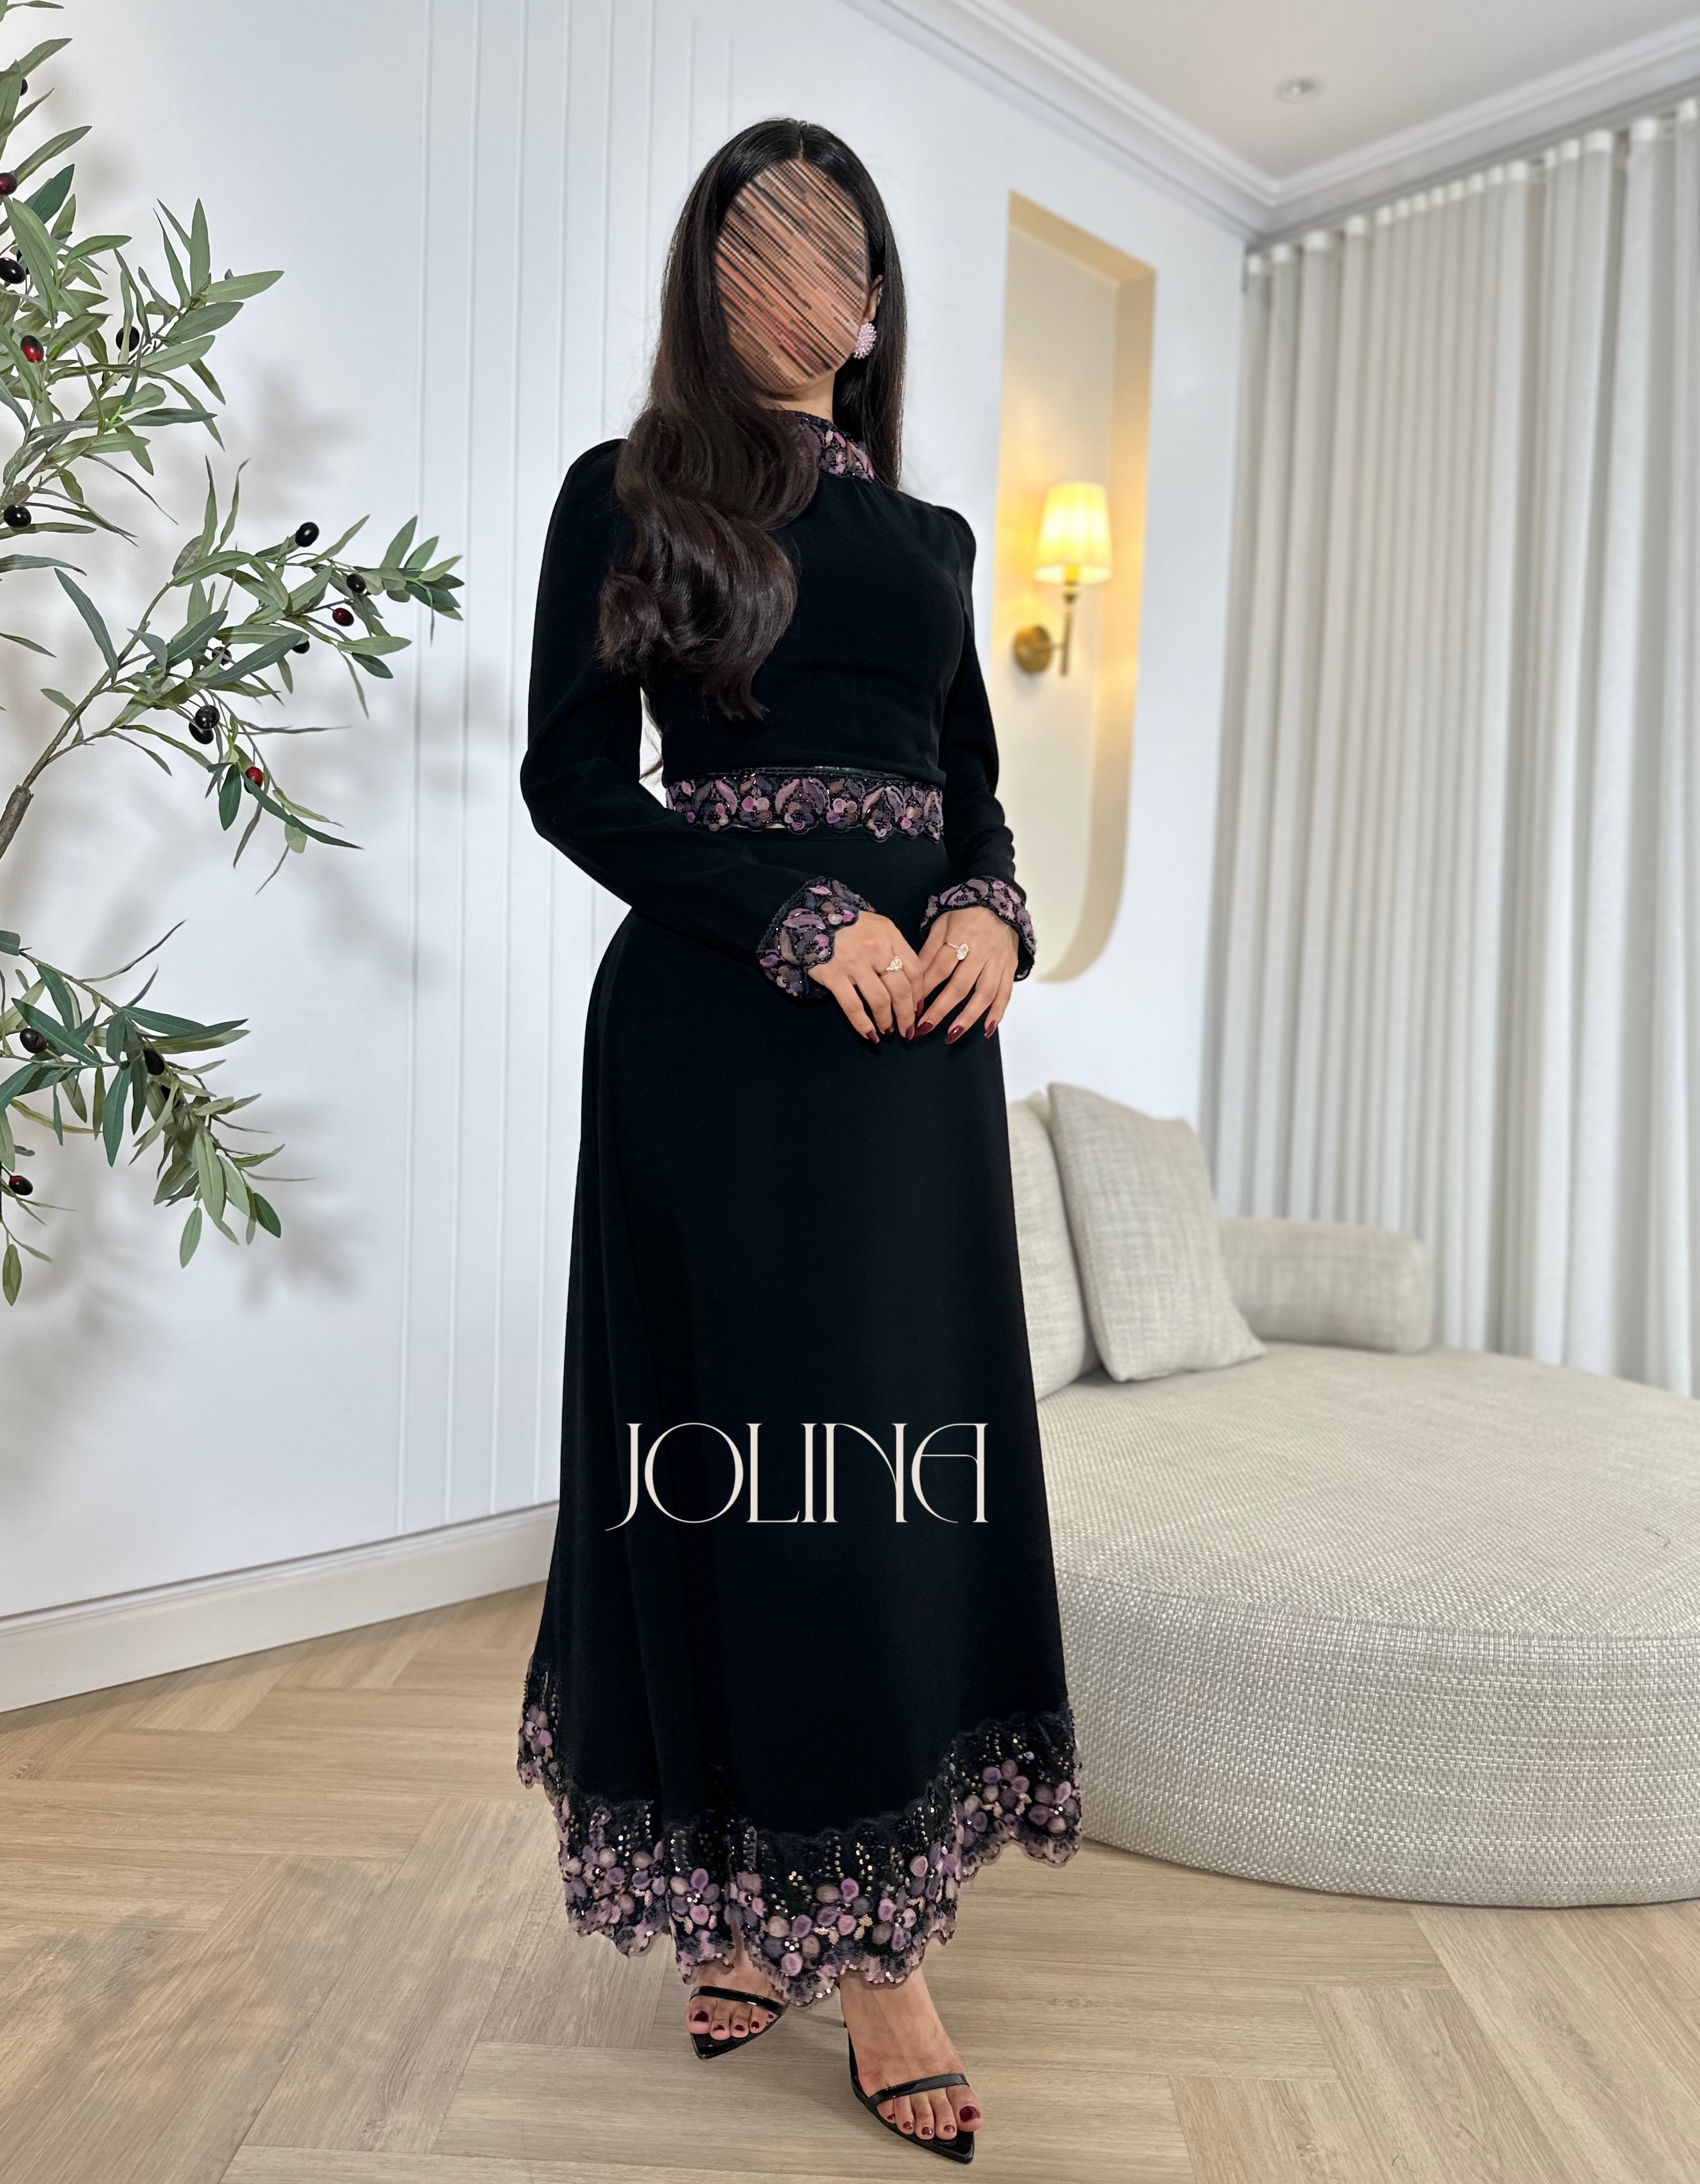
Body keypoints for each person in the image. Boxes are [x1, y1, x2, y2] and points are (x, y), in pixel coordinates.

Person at [515, 115, 1079, 2162]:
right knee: (724, 1465)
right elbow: (577, 784)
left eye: (834, 247)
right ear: (711, 279)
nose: (797, 279)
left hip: (916, 1061)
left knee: (884, 1474)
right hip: (718, 1046)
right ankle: (753, 1893)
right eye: (756, 242)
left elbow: (972, 790)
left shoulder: (932, 542)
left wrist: (991, 915)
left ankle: (876, 1934)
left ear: (871, 299)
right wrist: (792, 915)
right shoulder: (630, 491)